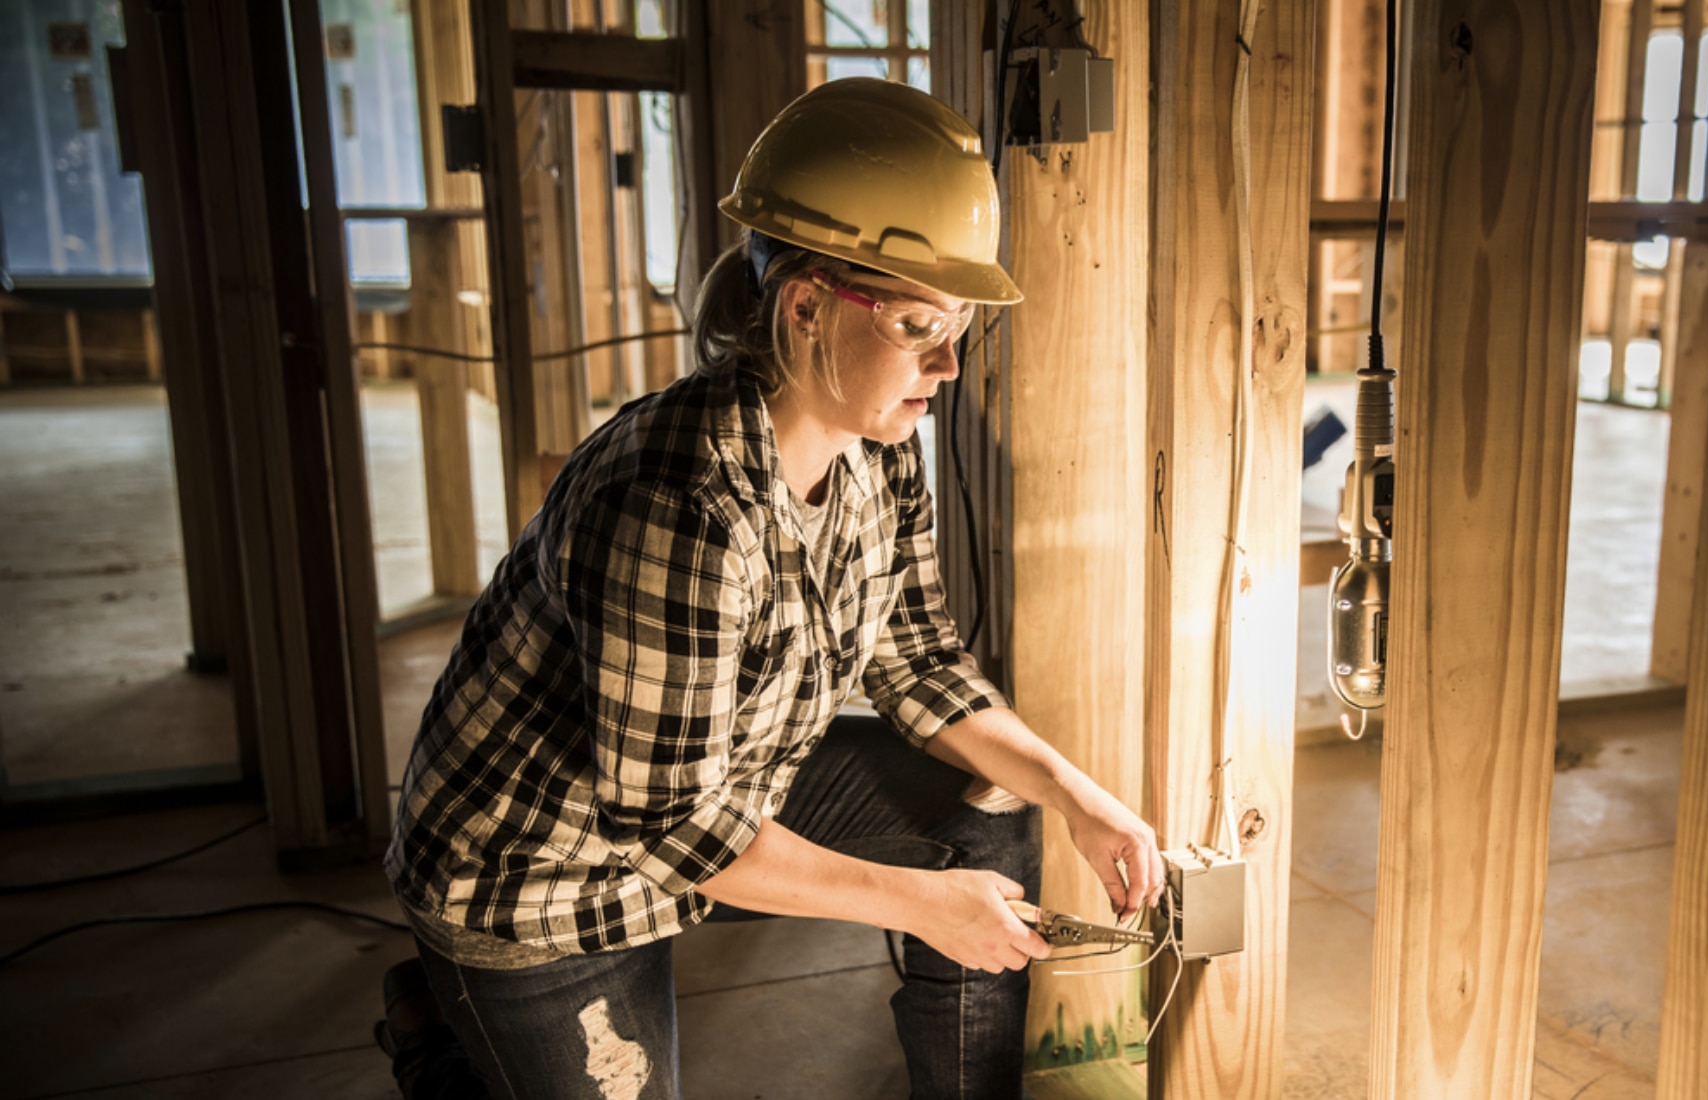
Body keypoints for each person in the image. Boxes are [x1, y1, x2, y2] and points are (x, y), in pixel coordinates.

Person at [377, 78, 1164, 1100]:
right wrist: (922, 902)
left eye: (960, 326)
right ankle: (453, 1037)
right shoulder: (679, 504)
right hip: (544, 872)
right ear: (804, 306)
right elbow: (671, 828)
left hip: (716, 787)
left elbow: (919, 661)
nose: (951, 364)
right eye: (921, 322)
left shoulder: (875, 445)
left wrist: (1077, 791)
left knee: (987, 807)